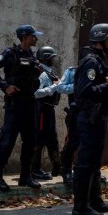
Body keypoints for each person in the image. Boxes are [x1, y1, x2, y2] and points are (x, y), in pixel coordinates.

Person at [0, 25, 44, 192]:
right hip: (15, 104)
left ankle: (25, 176)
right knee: (7, 141)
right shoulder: (10, 54)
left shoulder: (32, 56)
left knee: (31, 141)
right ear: (25, 36)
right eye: (34, 36)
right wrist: (5, 86)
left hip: (30, 104)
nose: (36, 39)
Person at [71, 23, 108, 215]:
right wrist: (107, 86)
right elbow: (84, 91)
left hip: (99, 117)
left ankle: (94, 200)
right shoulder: (91, 61)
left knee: (94, 162)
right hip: (90, 118)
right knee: (85, 162)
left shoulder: (100, 60)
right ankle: (80, 207)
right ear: (101, 39)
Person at [32, 46, 62, 180]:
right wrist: (54, 86)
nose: (53, 60)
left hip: (49, 110)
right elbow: (36, 93)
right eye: (52, 57)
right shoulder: (42, 73)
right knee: (39, 139)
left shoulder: (49, 72)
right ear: (46, 58)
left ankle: (57, 167)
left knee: (52, 140)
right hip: (42, 110)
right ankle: (35, 170)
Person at [56, 64, 78, 185]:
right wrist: (76, 87)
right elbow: (60, 87)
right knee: (72, 143)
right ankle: (66, 171)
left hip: (93, 113)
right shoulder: (71, 71)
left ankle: (92, 172)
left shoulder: (101, 68)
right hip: (76, 113)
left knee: (92, 144)